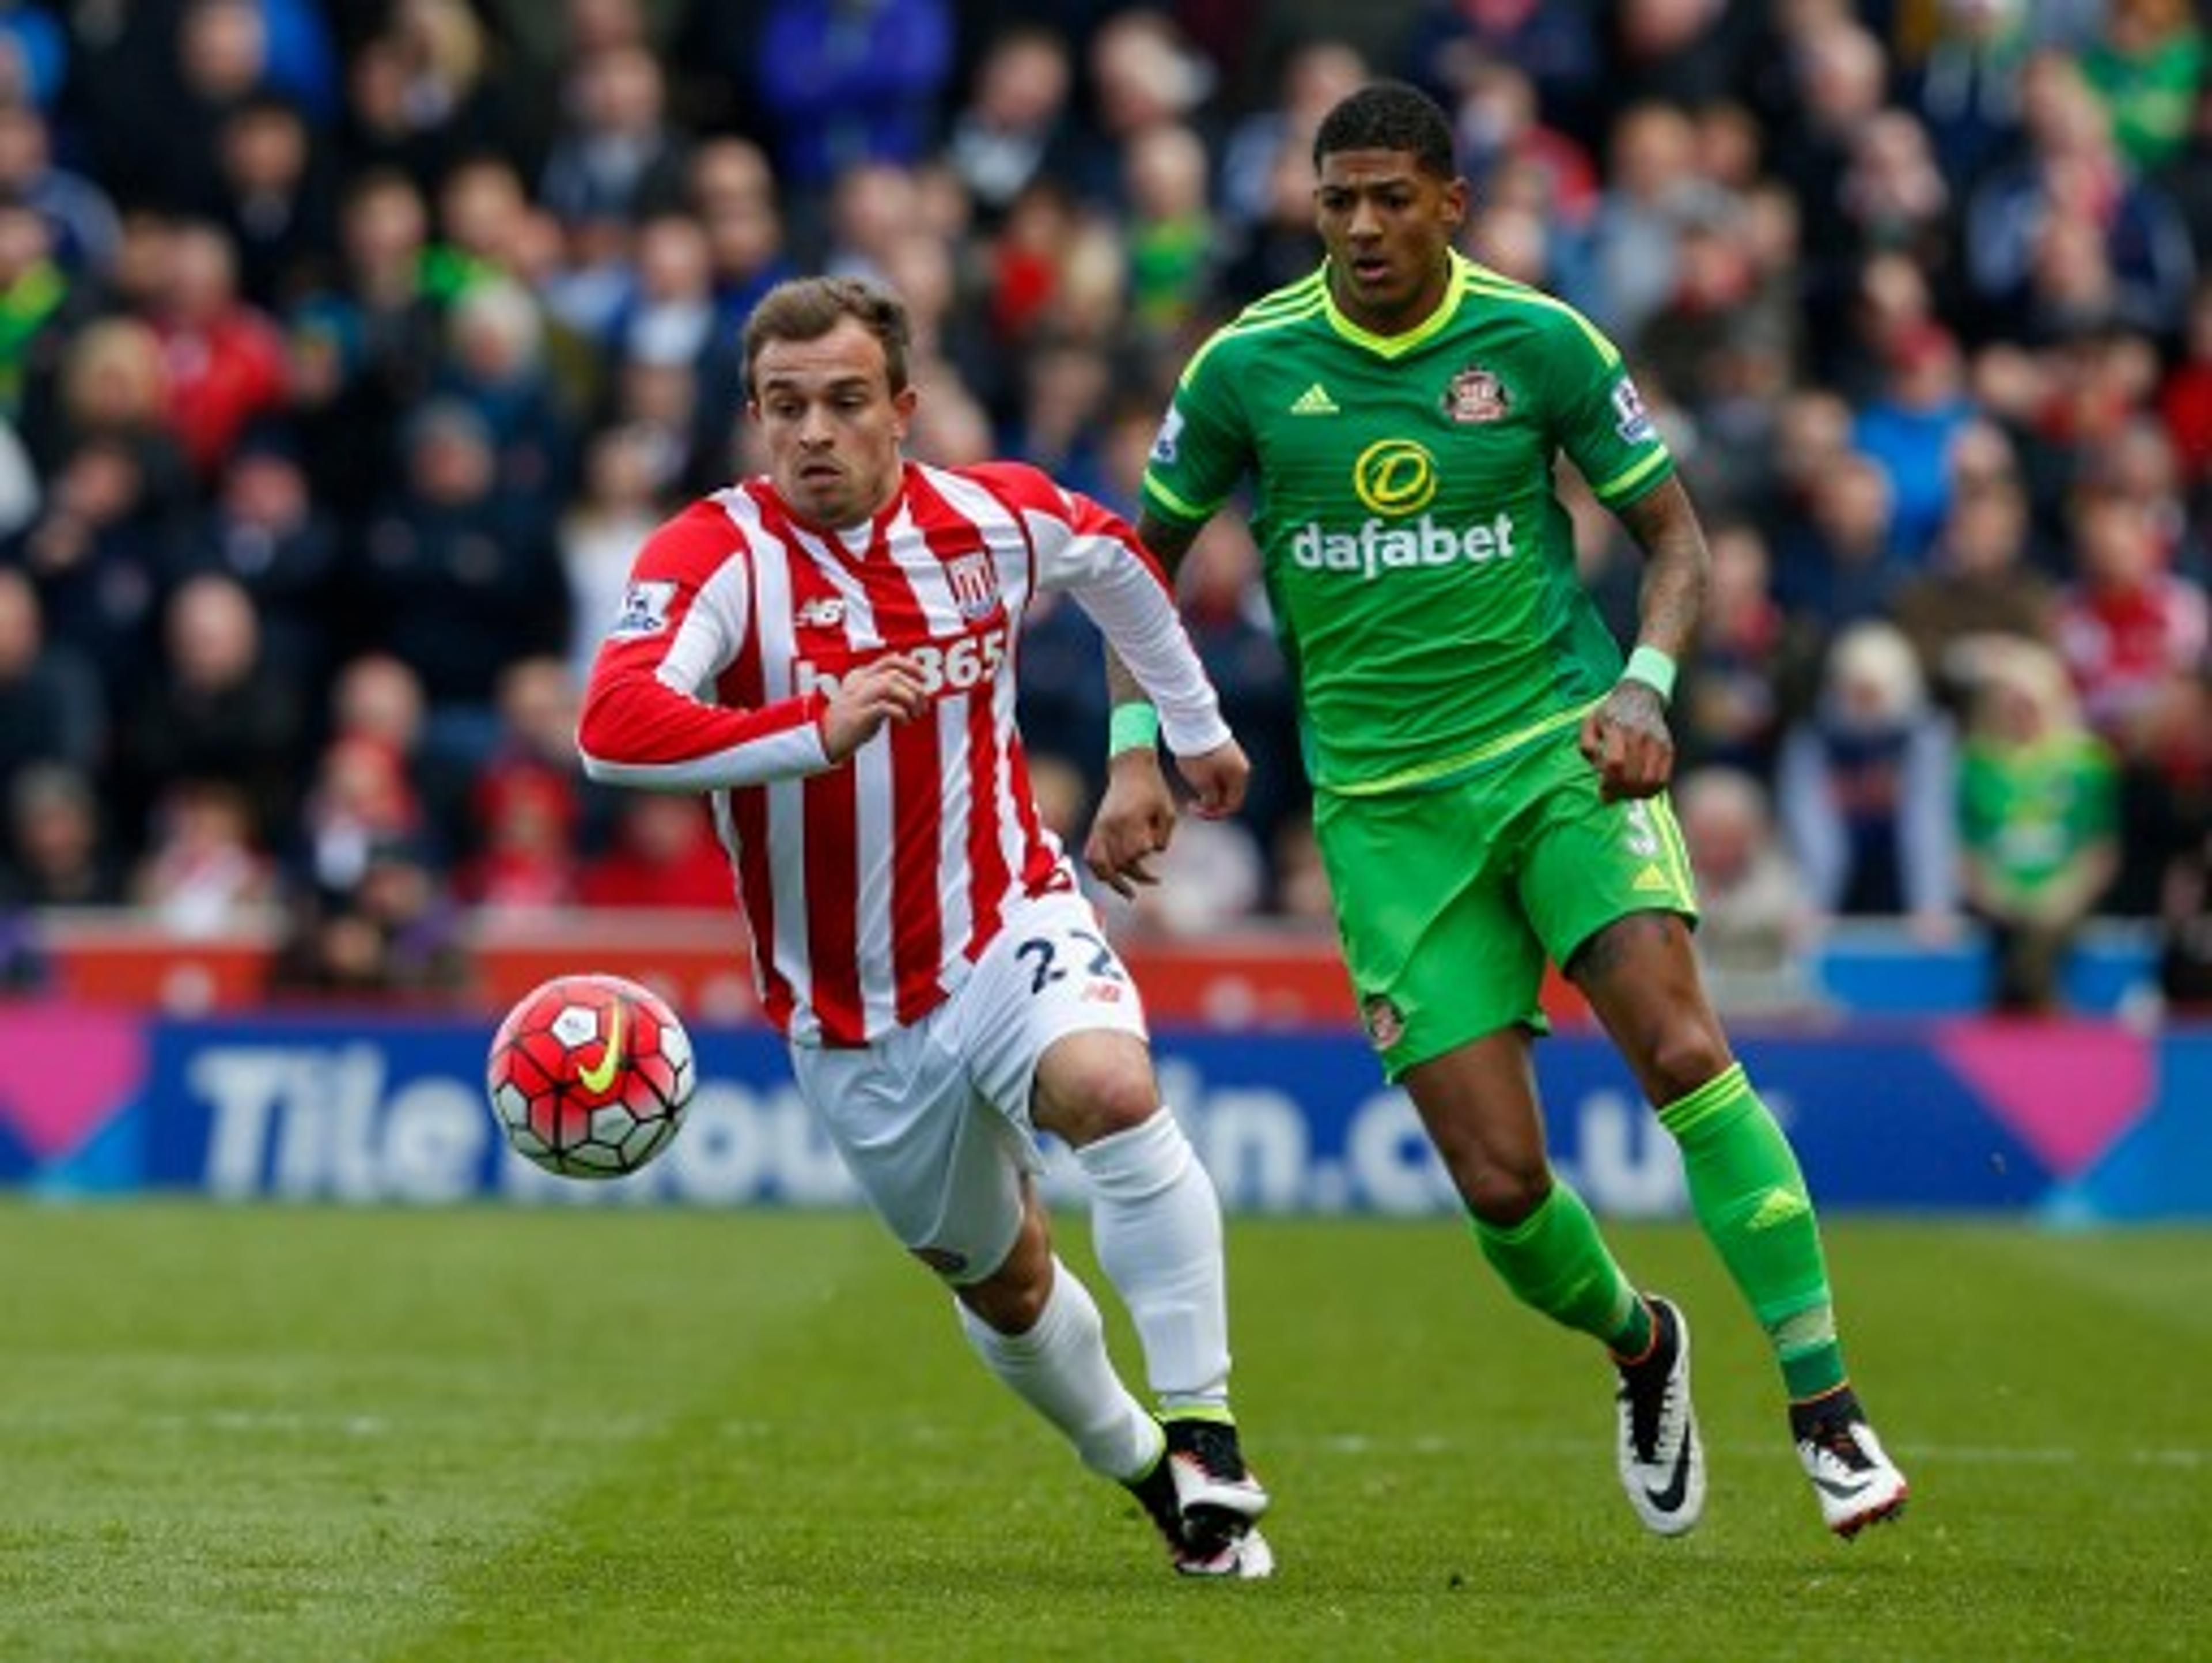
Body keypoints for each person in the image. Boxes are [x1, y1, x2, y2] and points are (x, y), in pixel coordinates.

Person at [1093, 80, 1908, 1541]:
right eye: (1336, 199)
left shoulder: (1539, 341)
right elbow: (1131, 567)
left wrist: (1648, 685)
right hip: (1384, 810)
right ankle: (1642, 1345)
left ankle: (1826, 1403)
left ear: (1450, 203)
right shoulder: (1248, 368)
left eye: (1390, 197)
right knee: (1501, 1180)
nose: (1360, 227)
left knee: (1678, 1043)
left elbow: (1674, 536)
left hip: (1555, 751)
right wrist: (1138, 748)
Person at [575, 275, 1272, 1577]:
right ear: (754, 419)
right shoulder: (712, 557)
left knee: (1109, 1086)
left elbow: (1121, 564)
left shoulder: (987, 517)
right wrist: (810, 729)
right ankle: (1141, 1465)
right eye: (786, 409)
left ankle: (1207, 1427)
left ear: (904, 408)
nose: (815, 435)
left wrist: (1182, 734)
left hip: (1006, 917)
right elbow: (611, 726)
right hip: (849, 1018)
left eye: (845, 403)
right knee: (1008, 1285)